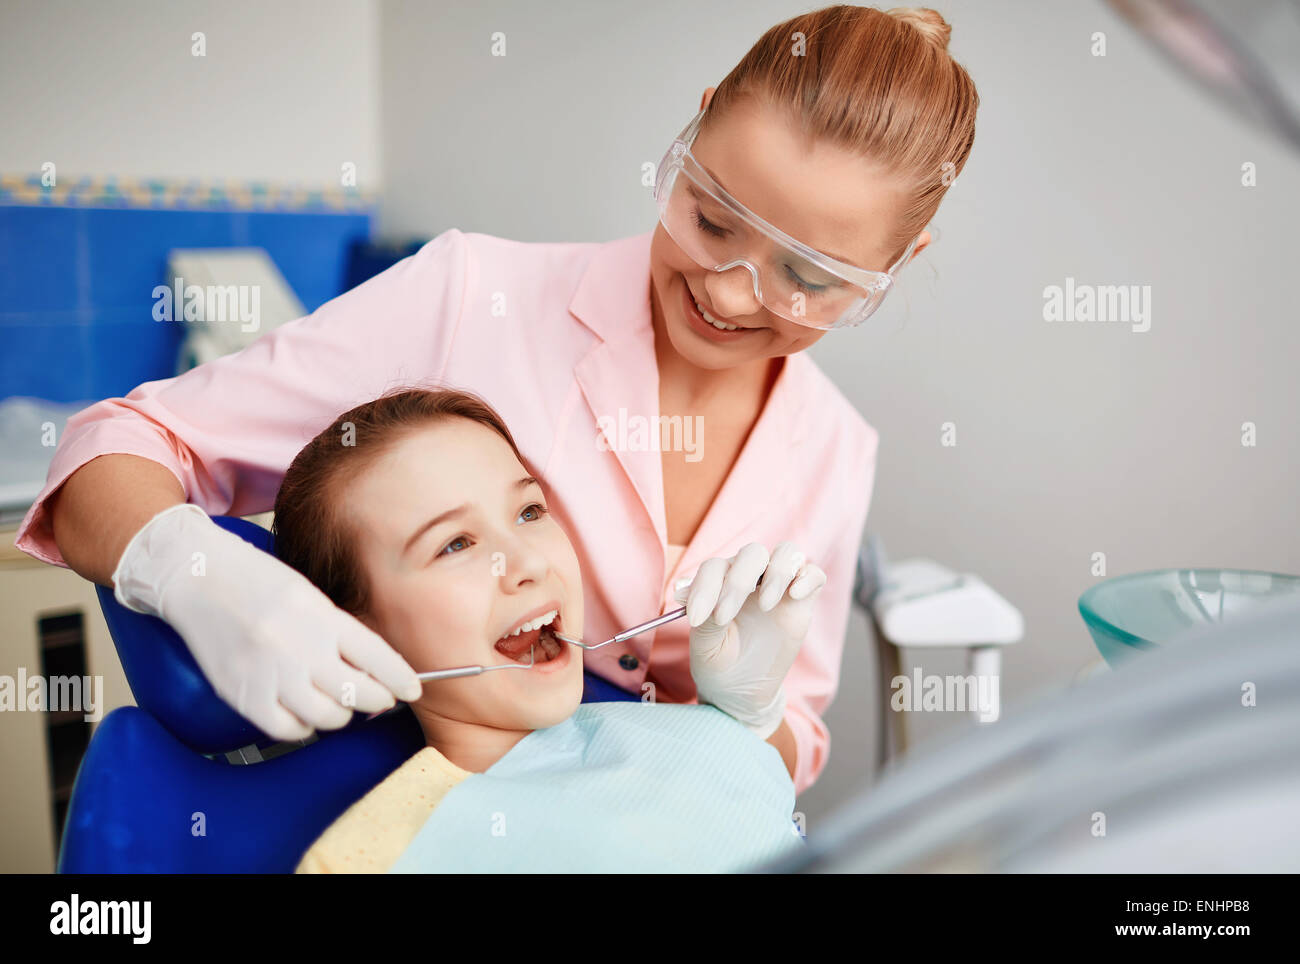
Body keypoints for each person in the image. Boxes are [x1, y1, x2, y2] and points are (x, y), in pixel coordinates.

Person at [14, 5, 979, 795]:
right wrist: (196, 574)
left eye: (807, 277)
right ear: (696, 128)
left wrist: (750, 716)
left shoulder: (834, 448)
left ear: (897, 266)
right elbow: (119, 442)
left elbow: (795, 747)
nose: (729, 291)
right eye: (711, 216)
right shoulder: (471, 297)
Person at [273, 388, 822, 872]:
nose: (528, 561)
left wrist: (749, 719)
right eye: (455, 544)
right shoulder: (378, 858)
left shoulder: (701, 735)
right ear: (357, 633)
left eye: (530, 512)